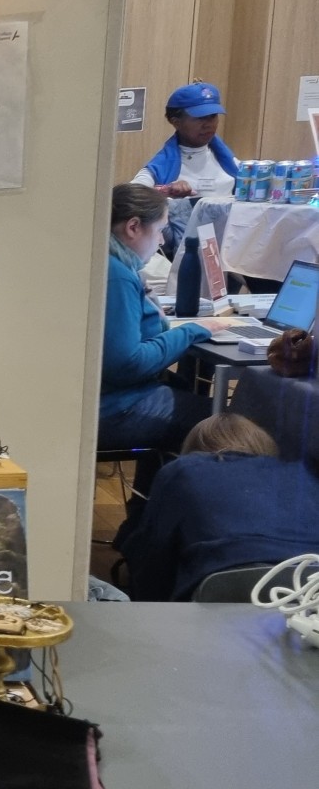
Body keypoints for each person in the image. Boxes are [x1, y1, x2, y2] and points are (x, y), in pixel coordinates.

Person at [120, 414, 319, 601]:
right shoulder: (301, 473)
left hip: (229, 580)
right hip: (311, 578)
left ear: (194, 448)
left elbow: (152, 557)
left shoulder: (182, 470)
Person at [98, 184, 211, 468]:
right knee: (219, 421)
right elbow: (127, 364)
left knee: (183, 392)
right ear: (134, 227)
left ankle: (145, 511)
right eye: (160, 229)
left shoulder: (110, 264)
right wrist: (192, 331)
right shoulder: (117, 275)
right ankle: (156, 510)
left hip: (105, 401)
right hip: (113, 407)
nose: (161, 240)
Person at [131, 82, 240, 202]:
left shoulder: (231, 163)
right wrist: (165, 191)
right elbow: (130, 197)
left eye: (213, 116)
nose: (209, 124)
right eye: (200, 117)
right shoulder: (160, 167)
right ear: (176, 122)